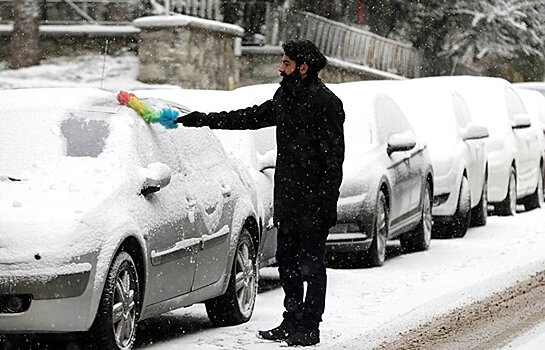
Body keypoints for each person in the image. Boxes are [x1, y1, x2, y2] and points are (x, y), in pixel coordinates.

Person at [176, 39, 345, 347]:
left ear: (303, 68)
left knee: (312, 266)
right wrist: (206, 120)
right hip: (288, 198)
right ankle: (291, 319)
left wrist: (325, 204)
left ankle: (310, 326)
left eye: (286, 63)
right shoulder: (285, 97)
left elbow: (333, 161)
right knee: (287, 263)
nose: (280, 68)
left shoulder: (326, 104)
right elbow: (250, 117)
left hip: (314, 204)